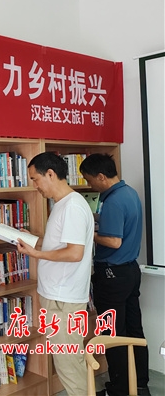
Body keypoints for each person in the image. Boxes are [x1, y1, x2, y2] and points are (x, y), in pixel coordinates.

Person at [15, 152, 94, 396]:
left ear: (50, 174)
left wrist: (36, 254)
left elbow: (74, 253)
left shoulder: (72, 207)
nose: (35, 186)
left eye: (35, 179)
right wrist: (34, 242)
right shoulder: (62, 205)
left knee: (69, 366)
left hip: (64, 300)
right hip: (58, 297)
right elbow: (59, 246)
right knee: (67, 363)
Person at [80, 153, 150, 396]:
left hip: (111, 275)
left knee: (112, 333)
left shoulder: (113, 201)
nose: (89, 185)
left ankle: (119, 389)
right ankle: (139, 384)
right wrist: (95, 218)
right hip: (130, 271)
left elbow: (113, 241)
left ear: (101, 176)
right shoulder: (129, 193)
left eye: (89, 180)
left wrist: (87, 233)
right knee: (133, 329)